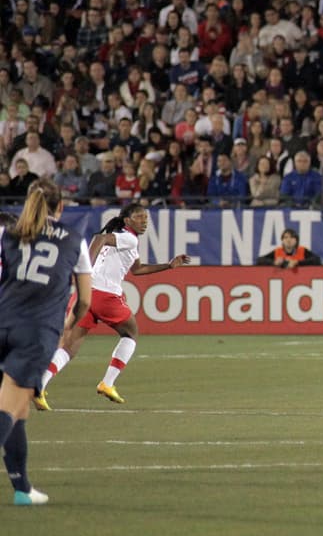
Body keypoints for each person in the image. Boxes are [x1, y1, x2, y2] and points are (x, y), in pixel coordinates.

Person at [38, 203, 192, 409]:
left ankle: (39, 384)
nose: (144, 221)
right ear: (127, 220)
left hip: (87, 293)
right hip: (105, 295)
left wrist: (169, 265)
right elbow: (98, 238)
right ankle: (107, 383)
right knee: (131, 334)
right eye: (139, 217)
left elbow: (137, 269)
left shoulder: (124, 239)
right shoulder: (127, 237)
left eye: (145, 217)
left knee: (69, 346)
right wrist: (84, 269)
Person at [0, 180, 94, 505]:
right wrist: (69, 323)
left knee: (20, 409)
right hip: (36, 333)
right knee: (9, 409)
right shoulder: (74, 240)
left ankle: (22, 489)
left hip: (3, 321)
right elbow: (84, 301)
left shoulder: (8, 234)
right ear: (61, 207)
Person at [255, 228, 322, 269]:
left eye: (292, 237)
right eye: (286, 237)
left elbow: (317, 260)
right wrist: (274, 262)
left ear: (296, 240)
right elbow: (259, 260)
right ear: (282, 240)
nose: (288, 240)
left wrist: (298, 262)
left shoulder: (302, 250)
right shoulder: (277, 251)